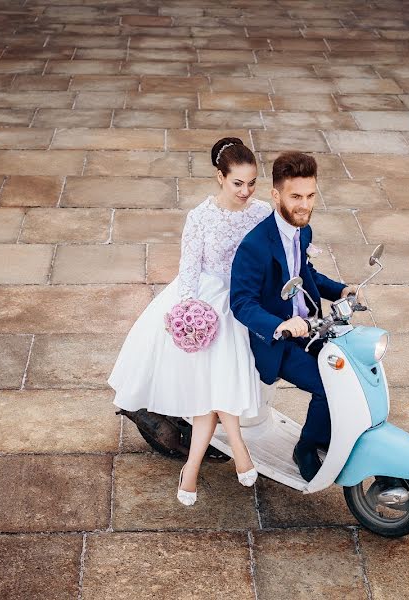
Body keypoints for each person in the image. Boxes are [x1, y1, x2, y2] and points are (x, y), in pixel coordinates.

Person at [107, 137, 273, 505]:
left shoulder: (262, 213)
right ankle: (235, 451)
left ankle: (192, 469)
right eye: (237, 183)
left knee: (218, 382)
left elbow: (280, 252)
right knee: (213, 383)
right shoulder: (200, 217)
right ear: (220, 177)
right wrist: (187, 314)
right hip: (207, 301)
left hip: (245, 299)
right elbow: (189, 271)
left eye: (252, 183)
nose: (246, 191)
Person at [230, 151, 356, 482]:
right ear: (276, 195)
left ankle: (326, 433)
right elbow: (241, 302)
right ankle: (306, 447)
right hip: (276, 340)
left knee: (349, 368)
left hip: (311, 326)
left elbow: (305, 270)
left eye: (311, 195)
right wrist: (280, 324)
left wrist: (341, 290)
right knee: (328, 385)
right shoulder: (255, 245)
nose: (304, 204)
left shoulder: (303, 230)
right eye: (296, 196)